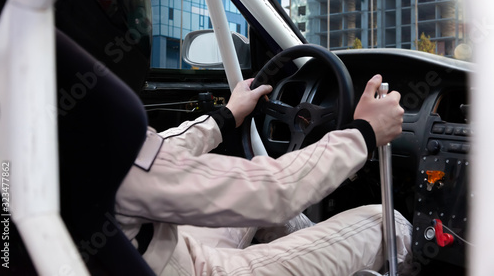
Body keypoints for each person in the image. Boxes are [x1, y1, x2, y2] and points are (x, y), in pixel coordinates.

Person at [114, 74, 412, 275]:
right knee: (388, 223)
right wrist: (366, 132)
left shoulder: (75, 138)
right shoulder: (100, 150)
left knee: (268, 203)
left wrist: (227, 116)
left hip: (166, 251)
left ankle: (319, 247)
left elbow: (155, 149)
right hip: (187, 267)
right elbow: (275, 189)